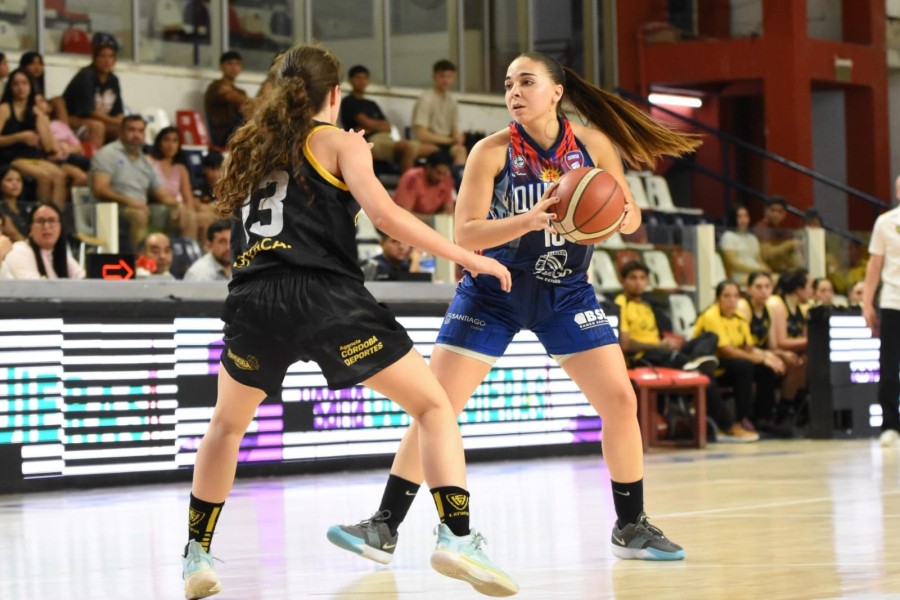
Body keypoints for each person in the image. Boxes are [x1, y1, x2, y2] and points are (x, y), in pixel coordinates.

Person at [328, 51, 700, 568]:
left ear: (556, 92)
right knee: (436, 408)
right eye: (507, 84)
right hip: (493, 290)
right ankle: (383, 525)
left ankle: (630, 525)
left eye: (526, 81)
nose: (514, 92)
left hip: (565, 291)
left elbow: (629, 221)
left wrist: (621, 213)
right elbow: (465, 232)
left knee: (619, 402)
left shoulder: (594, 145)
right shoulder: (491, 151)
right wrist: (530, 219)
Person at [180, 43, 517, 600]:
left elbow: (303, 215)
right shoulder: (336, 142)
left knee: (225, 426)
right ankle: (456, 536)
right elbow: (388, 217)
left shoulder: (247, 149)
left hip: (253, 297)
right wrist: (468, 256)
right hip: (326, 297)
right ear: (334, 95)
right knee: (434, 406)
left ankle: (196, 554)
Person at [692, 280, 785, 441]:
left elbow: (749, 348)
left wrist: (769, 358)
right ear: (717, 299)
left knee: (766, 369)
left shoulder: (739, 318)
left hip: (729, 365)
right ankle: (742, 419)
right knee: (745, 366)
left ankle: (762, 418)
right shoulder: (711, 315)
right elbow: (726, 351)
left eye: (735, 296)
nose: (732, 300)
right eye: (727, 296)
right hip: (709, 365)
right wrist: (761, 360)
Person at [90, 115, 178, 252]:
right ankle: (140, 261)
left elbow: (161, 194)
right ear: (121, 132)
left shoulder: (146, 161)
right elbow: (99, 189)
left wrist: (177, 204)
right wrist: (130, 201)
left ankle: (183, 261)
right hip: (112, 209)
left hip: (141, 207)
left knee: (185, 214)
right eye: (131, 130)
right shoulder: (108, 154)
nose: (136, 135)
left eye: (140, 131)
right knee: (138, 213)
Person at [615, 260, 718, 371]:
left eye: (642, 278)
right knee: (703, 371)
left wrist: (669, 343)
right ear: (623, 281)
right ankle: (692, 362)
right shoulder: (619, 304)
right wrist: (659, 346)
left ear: (647, 281)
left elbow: (658, 336)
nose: (638, 282)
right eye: (633, 278)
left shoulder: (647, 306)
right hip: (642, 357)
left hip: (662, 350)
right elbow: (625, 345)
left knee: (710, 336)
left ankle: (695, 360)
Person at [340, 64, 434, 173]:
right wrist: (375, 127)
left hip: (387, 139)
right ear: (351, 80)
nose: (362, 81)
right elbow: (365, 122)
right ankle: (408, 187)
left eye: (365, 78)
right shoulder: (349, 102)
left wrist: (371, 126)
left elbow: (388, 127)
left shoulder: (372, 104)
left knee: (432, 149)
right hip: (369, 141)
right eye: (358, 78)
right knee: (407, 148)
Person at [862, 185, 900, 447]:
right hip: (893, 302)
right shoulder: (885, 223)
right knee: (889, 367)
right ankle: (890, 426)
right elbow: (874, 265)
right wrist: (867, 303)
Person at [0, 68, 68, 209]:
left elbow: (48, 147)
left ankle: (56, 216)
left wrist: (42, 121)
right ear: (10, 87)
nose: (21, 88)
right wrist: (18, 137)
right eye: (16, 84)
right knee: (43, 177)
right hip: (11, 156)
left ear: (31, 87)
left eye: (24, 83)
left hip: (32, 157)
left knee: (59, 175)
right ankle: (39, 216)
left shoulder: (35, 111)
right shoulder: (4, 109)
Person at [735, 271, 792, 433]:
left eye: (767, 287)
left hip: (757, 353)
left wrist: (782, 354)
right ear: (749, 289)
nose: (764, 291)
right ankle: (752, 416)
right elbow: (745, 345)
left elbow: (772, 345)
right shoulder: (743, 307)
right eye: (758, 287)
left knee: (779, 364)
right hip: (742, 353)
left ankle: (770, 416)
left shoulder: (769, 309)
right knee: (765, 368)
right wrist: (767, 357)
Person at [766, 268, 812, 429]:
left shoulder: (802, 308)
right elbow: (780, 342)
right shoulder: (777, 304)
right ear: (799, 289)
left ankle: (801, 409)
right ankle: (783, 413)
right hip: (770, 350)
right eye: (810, 287)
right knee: (795, 362)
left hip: (788, 351)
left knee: (808, 358)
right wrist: (812, 341)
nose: (812, 292)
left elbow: (803, 339)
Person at [62, 32, 124, 151]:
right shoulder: (86, 76)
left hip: (100, 120)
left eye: (111, 56)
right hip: (72, 119)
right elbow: (89, 112)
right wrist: (116, 121)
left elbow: (118, 111)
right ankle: (92, 164)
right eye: (102, 56)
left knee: (127, 129)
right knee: (98, 127)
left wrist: (123, 122)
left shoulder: (113, 80)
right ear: (94, 57)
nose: (107, 61)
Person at [411, 59, 467, 181]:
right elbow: (421, 135)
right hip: (428, 144)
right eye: (442, 76)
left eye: (449, 76)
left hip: (446, 143)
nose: (446, 80)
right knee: (434, 150)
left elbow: (454, 129)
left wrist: (458, 137)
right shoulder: (426, 99)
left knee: (460, 151)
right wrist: (449, 140)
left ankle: (459, 187)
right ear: (434, 76)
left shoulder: (452, 101)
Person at [0, 201, 84, 279]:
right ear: (30, 228)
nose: (46, 226)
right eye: (40, 221)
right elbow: (34, 289)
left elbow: (82, 279)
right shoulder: (20, 250)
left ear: (61, 227)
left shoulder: (59, 252)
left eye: (52, 221)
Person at [149, 126, 199, 241]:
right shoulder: (151, 162)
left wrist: (187, 209)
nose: (170, 144)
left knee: (202, 216)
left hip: (177, 207)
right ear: (159, 142)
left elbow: (188, 199)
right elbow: (157, 195)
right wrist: (179, 206)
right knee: (184, 214)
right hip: (158, 204)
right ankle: (189, 250)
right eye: (166, 140)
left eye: (175, 140)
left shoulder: (180, 168)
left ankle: (198, 250)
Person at [204, 51, 248, 148]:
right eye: (229, 64)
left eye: (237, 64)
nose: (233, 67)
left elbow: (247, 108)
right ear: (221, 67)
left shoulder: (241, 92)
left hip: (237, 130)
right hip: (221, 134)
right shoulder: (215, 87)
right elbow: (236, 98)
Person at [719, 204, 770, 288]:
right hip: (740, 274)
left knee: (775, 278)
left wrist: (767, 269)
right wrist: (755, 270)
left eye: (745, 216)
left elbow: (758, 259)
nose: (743, 219)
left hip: (757, 272)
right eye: (739, 216)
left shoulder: (752, 237)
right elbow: (732, 263)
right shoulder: (728, 236)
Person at [391, 151, 455, 217]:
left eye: (444, 174)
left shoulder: (447, 179)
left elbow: (449, 211)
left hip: (430, 221)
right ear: (428, 167)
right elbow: (404, 212)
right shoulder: (411, 178)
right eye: (438, 173)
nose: (441, 178)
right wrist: (430, 220)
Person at [754, 196, 802, 273]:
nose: (776, 214)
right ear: (766, 210)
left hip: (780, 269)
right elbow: (767, 255)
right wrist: (789, 244)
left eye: (780, 212)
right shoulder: (761, 227)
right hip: (764, 270)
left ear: (784, 214)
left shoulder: (779, 229)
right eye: (772, 210)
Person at [193, 150, 223, 241]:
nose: (215, 173)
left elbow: (227, 206)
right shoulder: (197, 184)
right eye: (211, 169)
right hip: (207, 216)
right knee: (203, 218)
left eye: (218, 169)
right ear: (204, 169)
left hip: (220, 214)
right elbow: (196, 205)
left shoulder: (228, 185)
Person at [0, 165, 34, 241]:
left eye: (18, 180)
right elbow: (12, 233)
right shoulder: (1, 207)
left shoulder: (26, 207)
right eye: (9, 180)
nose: (15, 183)